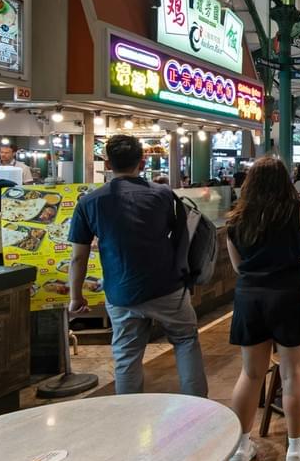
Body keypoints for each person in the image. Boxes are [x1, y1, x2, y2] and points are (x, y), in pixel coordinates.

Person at [68, 135, 207, 397]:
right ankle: (200, 408)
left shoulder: (89, 202)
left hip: (122, 292)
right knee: (186, 341)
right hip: (168, 287)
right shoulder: (163, 195)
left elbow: (78, 257)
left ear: (107, 164)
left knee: (126, 356)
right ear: (142, 163)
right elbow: (182, 238)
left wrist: (76, 297)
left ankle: (130, 419)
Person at [221, 157, 300, 461]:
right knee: (293, 373)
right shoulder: (298, 209)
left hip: (250, 297)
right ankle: (296, 451)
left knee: (250, 374)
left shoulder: (236, 216)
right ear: (285, 180)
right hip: (289, 294)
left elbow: (238, 266)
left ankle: (238, 451)